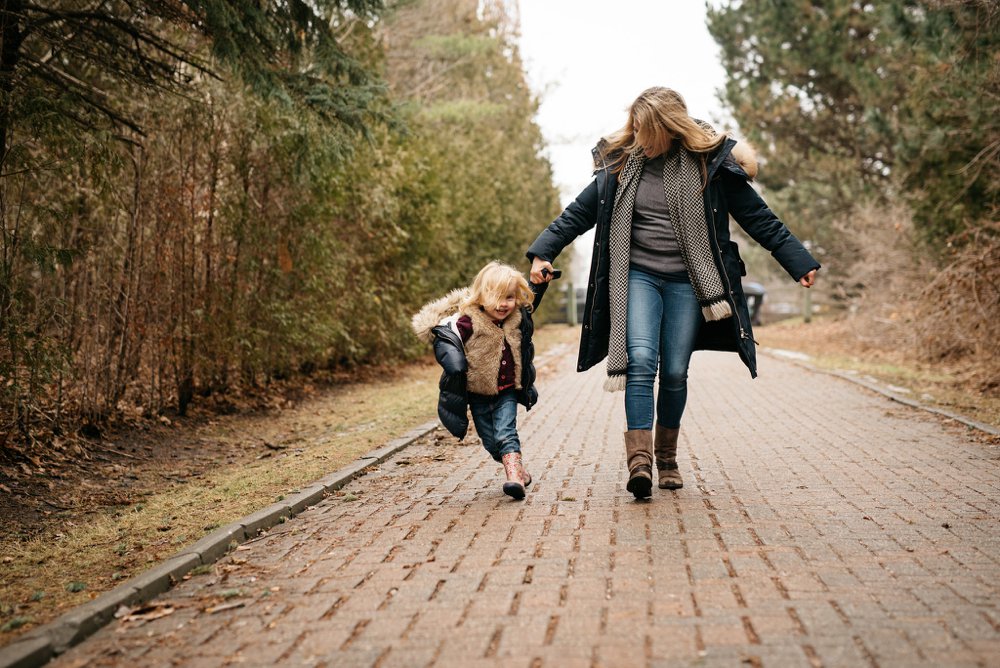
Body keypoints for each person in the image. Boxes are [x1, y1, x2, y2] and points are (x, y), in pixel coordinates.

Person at [526, 87, 819, 500]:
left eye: (647, 129)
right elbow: (577, 214)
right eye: (636, 127)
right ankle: (640, 464)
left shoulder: (710, 166)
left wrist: (799, 261)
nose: (639, 135)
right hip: (638, 276)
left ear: (669, 129)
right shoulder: (621, 165)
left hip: (689, 281)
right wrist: (542, 252)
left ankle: (667, 457)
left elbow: (758, 217)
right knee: (642, 361)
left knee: (676, 371)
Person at [411, 261, 546, 500]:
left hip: (507, 391)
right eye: (496, 297)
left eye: (509, 297)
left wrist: (539, 282)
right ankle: (519, 471)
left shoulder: (517, 318)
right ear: (481, 296)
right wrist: (452, 359)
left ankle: (514, 479)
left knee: (506, 433)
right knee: (492, 444)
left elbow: (533, 299)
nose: (504, 304)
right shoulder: (467, 321)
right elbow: (447, 336)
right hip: (477, 393)